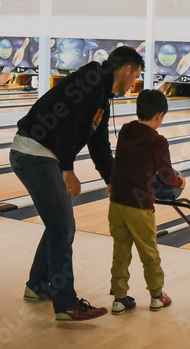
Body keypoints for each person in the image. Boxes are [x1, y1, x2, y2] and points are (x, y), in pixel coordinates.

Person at [10, 45, 144, 321]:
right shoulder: (91, 79)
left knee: (58, 225)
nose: (135, 84)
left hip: (40, 153)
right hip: (35, 153)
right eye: (136, 76)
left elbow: (99, 146)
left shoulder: (101, 97)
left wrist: (112, 181)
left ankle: (37, 285)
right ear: (127, 68)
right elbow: (64, 120)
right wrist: (67, 168)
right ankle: (66, 304)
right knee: (63, 227)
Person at [108, 89, 185, 315]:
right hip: (140, 206)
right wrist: (179, 182)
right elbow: (165, 174)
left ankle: (119, 298)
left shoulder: (125, 130)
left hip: (116, 203)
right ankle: (157, 296)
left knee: (120, 251)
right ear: (160, 115)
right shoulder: (158, 140)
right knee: (149, 252)